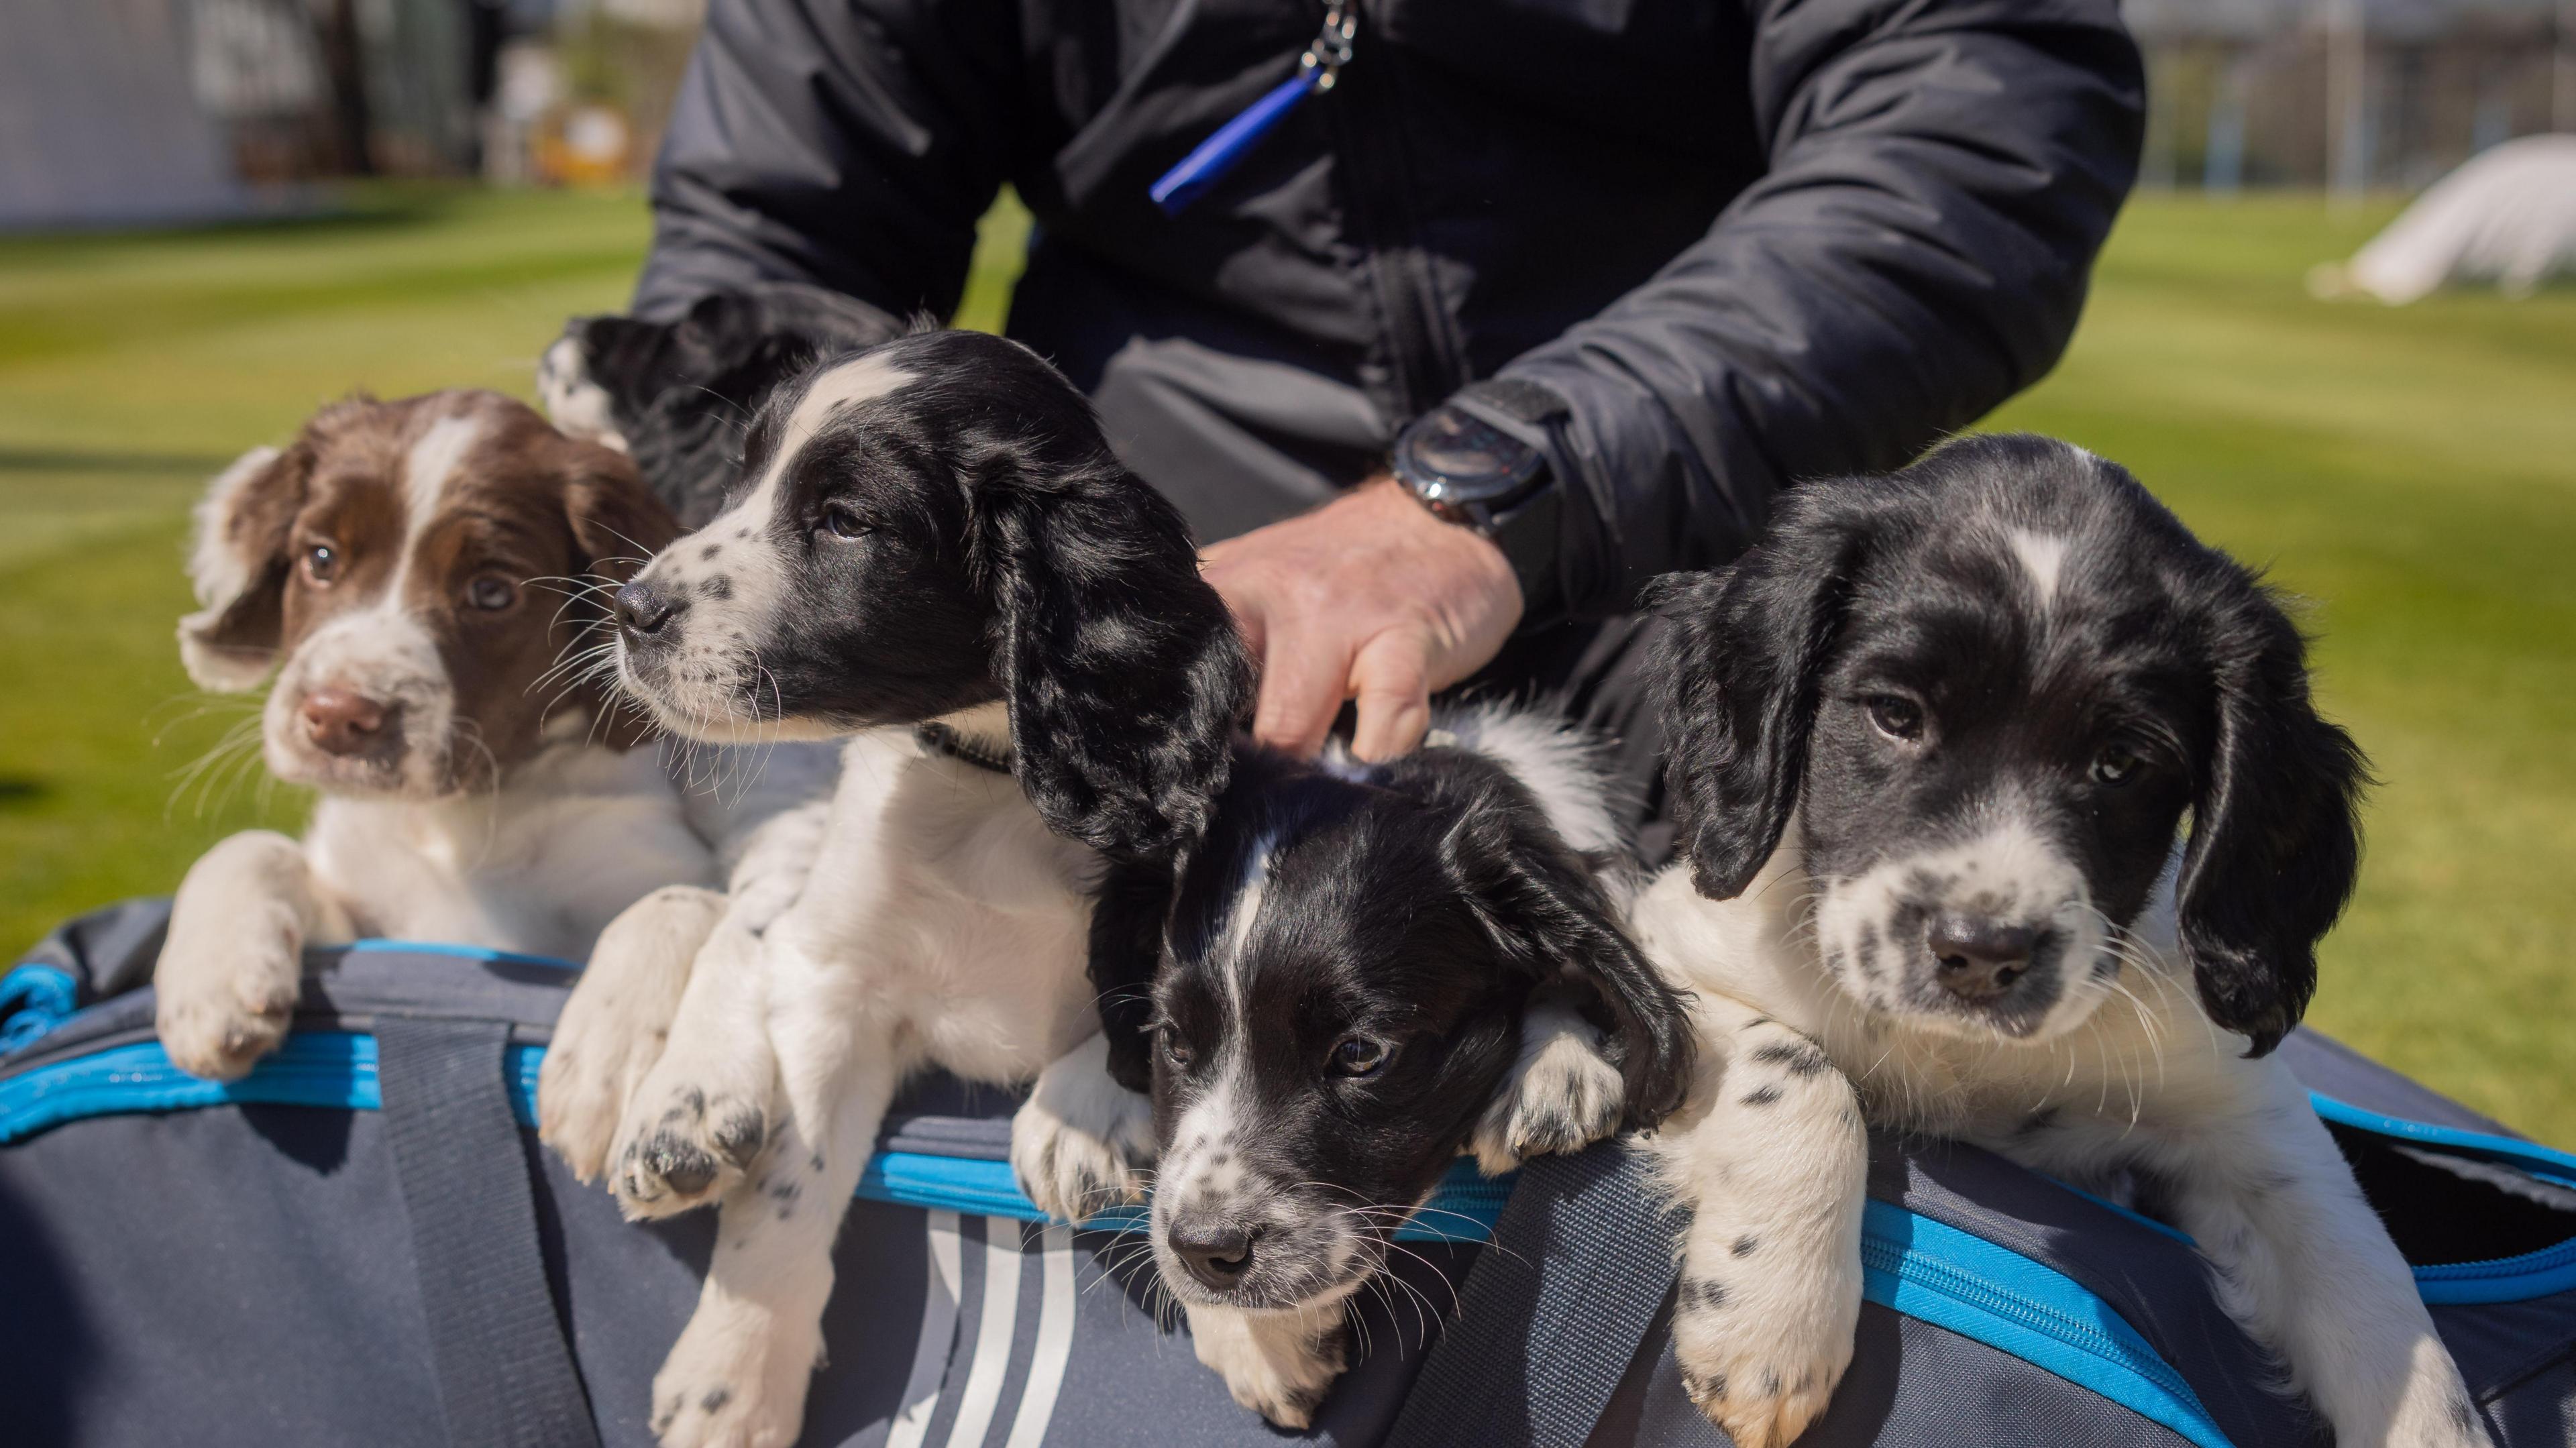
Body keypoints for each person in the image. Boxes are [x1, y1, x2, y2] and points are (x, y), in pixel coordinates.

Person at [630, 0, 2145, 849]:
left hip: (1685, 573)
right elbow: (765, 265)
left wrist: (1489, 494)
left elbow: (1971, 128)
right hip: (1169, 628)